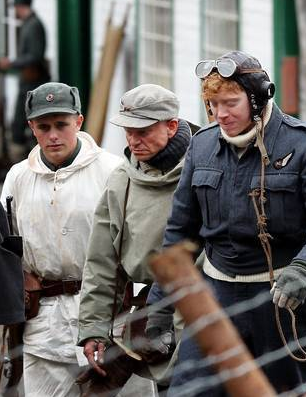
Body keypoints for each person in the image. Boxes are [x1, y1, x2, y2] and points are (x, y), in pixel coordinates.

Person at [146, 50, 306, 396]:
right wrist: (159, 306)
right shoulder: (202, 147)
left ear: (258, 97)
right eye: (212, 104)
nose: (220, 114)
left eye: (230, 102)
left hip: (282, 301)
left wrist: (305, 267)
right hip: (216, 297)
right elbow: (181, 232)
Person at [0, 82, 122, 397]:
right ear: (31, 128)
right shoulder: (18, 177)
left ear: (78, 122)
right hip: (44, 322)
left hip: (107, 316)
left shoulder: (111, 171)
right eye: (44, 127)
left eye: (61, 125)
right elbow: (7, 244)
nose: (53, 135)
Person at [77, 84, 194, 394]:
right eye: (128, 131)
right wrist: (94, 329)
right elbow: (102, 262)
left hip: (206, 313)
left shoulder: (206, 170)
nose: (132, 140)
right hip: (150, 321)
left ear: (171, 126)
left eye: (142, 130)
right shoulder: (121, 182)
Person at [0, 0, 50, 156]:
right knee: (19, 124)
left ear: (20, 7)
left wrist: (11, 62)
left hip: (34, 82)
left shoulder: (34, 25)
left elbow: (35, 56)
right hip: (27, 81)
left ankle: (31, 158)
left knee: (26, 123)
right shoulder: (29, 24)